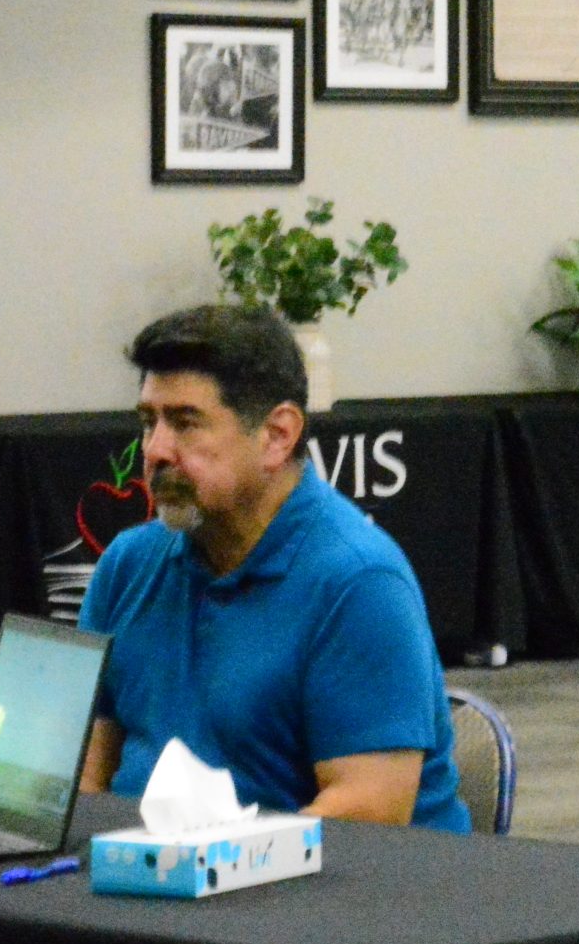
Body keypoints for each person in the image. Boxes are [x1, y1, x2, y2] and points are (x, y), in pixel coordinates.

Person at [77, 305, 469, 832]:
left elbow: (372, 813)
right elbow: (80, 778)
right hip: (154, 885)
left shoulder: (358, 583)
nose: (156, 451)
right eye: (149, 422)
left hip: (329, 898)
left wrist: (195, 866)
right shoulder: (127, 565)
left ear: (277, 435)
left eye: (186, 424)